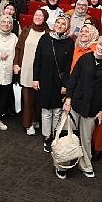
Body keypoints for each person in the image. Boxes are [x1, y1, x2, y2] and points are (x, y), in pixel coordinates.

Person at [58, 36, 102, 179]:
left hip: (92, 109)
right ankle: (62, 165)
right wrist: (68, 99)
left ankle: (85, 165)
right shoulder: (84, 59)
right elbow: (73, 79)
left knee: (86, 139)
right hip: (75, 104)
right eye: (100, 44)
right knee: (67, 136)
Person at [33, 14, 74, 153]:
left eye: (63, 24)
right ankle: (47, 137)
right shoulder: (45, 38)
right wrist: (35, 78)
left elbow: (68, 66)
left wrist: (65, 84)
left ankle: (55, 136)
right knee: (46, 111)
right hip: (44, 79)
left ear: (67, 28)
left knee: (57, 111)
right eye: (58, 22)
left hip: (59, 82)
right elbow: (37, 59)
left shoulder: (69, 42)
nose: (60, 25)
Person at [14, 9, 49, 135]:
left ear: (45, 18)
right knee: (28, 100)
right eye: (36, 15)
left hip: (40, 72)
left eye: (41, 15)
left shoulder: (48, 33)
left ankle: (35, 120)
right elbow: (18, 48)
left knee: (38, 99)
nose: (38, 17)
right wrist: (16, 63)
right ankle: (27, 124)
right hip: (26, 70)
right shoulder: (26, 30)